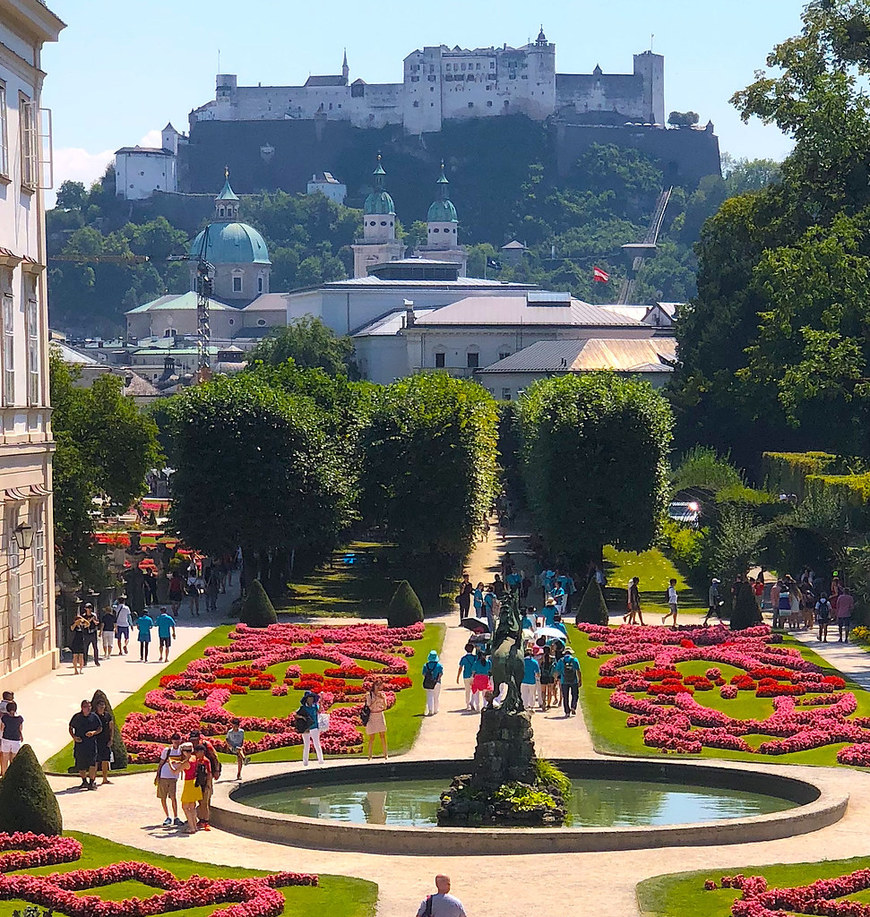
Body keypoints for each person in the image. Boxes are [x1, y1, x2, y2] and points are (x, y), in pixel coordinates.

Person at [188, 729, 220, 828]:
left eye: (195, 739)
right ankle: (200, 817)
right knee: (198, 797)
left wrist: (217, 771)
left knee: (206, 795)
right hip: (196, 775)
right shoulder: (190, 747)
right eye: (192, 739)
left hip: (207, 774)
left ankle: (204, 819)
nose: (193, 741)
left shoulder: (206, 745)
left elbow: (214, 757)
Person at [68, 699, 102, 790]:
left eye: (90, 706)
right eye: (87, 707)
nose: (89, 708)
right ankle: (84, 781)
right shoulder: (77, 717)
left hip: (91, 744)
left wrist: (93, 732)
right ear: (82, 708)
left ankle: (91, 782)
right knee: (80, 764)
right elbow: (70, 727)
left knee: (92, 763)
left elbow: (100, 728)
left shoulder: (94, 717)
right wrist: (74, 737)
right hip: (80, 744)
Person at [155, 733, 185, 826]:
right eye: (174, 739)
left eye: (177, 739)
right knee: (163, 797)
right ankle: (167, 816)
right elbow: (161, 763)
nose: (176, 741)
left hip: (173, 777)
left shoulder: (181, 751)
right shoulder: (167, 750)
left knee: (173, 797)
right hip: (164, 775)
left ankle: (176, 817)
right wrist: (157, 775)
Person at [178, 742, 202, 833]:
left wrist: (170, 764)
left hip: (188, 784)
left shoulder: (186, 762)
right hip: (195, 783)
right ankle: (194, 826)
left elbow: (175, 772)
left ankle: (191, 827)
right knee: (192, 806)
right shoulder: (194, 758)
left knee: (184, 807)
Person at [296, 691, 324, 766]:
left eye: (311, 698)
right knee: (307, 745)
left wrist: (321, 703)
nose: (311, 700)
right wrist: (302, 717)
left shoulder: (315, 706)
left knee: (317, 743)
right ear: (306, 699)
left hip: (314, 727)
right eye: (309, 698)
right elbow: (296, 715)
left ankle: (321, 760)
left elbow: (319, 711)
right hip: (306, 728)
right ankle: (305, 762)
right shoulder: (303, 708)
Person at [364, 678, 388, 760]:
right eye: (377, 685)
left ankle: (385, 755)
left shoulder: (383, 695)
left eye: (380, 685)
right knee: (371, 737)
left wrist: (383, 699)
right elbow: (369, 706)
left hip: (380, 714)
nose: (378, 687)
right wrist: (377, 699)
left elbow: (385, 707)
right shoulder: (369, 695)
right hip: (372, 716)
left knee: (383, 736)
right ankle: (369, 756)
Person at [554, 646, 581, 717]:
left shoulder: (561, 660)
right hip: (573, 680)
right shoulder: (574, 660)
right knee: (575, 695)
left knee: (565, 697)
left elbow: (557, 672)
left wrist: (555, 680)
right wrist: (580, 680)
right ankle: (573, 706)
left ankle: (567, 712)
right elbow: (578, 671)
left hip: (564, 681)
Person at [93, 698, 114, 785]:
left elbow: (111, 728)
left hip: (105, 741)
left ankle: (105, 779)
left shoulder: (108, 716)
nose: (101, 707)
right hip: (96, 741)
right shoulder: (93, 716)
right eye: (99, 706)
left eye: (103, 705)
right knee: (95, 761)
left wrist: (111, 739)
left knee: (105, 760)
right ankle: (92, 780)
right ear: (97, 707)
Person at [0, 701, 23, 775]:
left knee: (4, 758)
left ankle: (4, 775)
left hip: (6, 739)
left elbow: (2, 728)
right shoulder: (19, 718)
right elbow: (20, 729)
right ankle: (12, 776)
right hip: (16, 740)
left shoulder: (5, 718)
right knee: (14, 759)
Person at [422, 650, 444, 716]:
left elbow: (424, 674)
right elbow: (440, 674)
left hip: (428, 682)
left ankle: (430, 710)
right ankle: (435, 709)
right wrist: (437, 679)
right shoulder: (439, 666)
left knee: (429, 696)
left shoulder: (425, 665)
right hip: (437, 682)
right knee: (436, 696)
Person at [456, 643, 476, 711]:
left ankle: (467, 705)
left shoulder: (464, 658)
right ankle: (473, 702)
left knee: (467, 691)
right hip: (474, 676)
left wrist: (458, 677)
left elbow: (460, 668)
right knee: (474, 690)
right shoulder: (475, 657)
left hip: (466, 676)